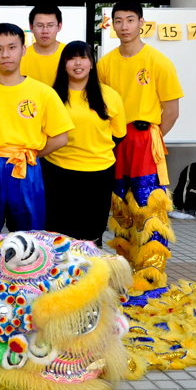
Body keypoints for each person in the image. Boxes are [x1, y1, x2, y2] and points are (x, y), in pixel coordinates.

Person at [97, 1, 183, 289]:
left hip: (146, 140)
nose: (124, 26)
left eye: (130, 20)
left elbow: (171, 112)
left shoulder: (158, 61)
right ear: (112, 25)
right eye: (118, 21)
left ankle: (150, 274)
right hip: (115, 142)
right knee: (121, 206)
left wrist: (150, 139)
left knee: (149, 206)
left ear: (141, 22)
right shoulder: (105, 64)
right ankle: (124, 271)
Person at [0, 23, 74, 241]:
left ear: (23, 50)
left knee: (30, 235)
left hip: (26, 167)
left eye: (12, 47)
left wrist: (32, 155)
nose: (5, 54)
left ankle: (28, 265)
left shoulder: (43, 92)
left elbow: (61, 137)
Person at [42, 41, 126, 245]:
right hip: (58, 171)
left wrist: (93, 149)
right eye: (71, 58)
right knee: (58, 234)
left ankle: (91, 266)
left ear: (92, 63)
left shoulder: (109, 95)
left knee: (91, 233)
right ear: (64, 65)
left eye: (83, 57)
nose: (78, 63)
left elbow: (119, 134)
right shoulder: (50, 96)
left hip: (98, 174)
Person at [20, 5, 65, 86]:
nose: (45, 31)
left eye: (50, 25)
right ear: (31, 27)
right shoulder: (20, 57)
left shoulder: (69, 55)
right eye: (40, 25)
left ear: (59, 26)